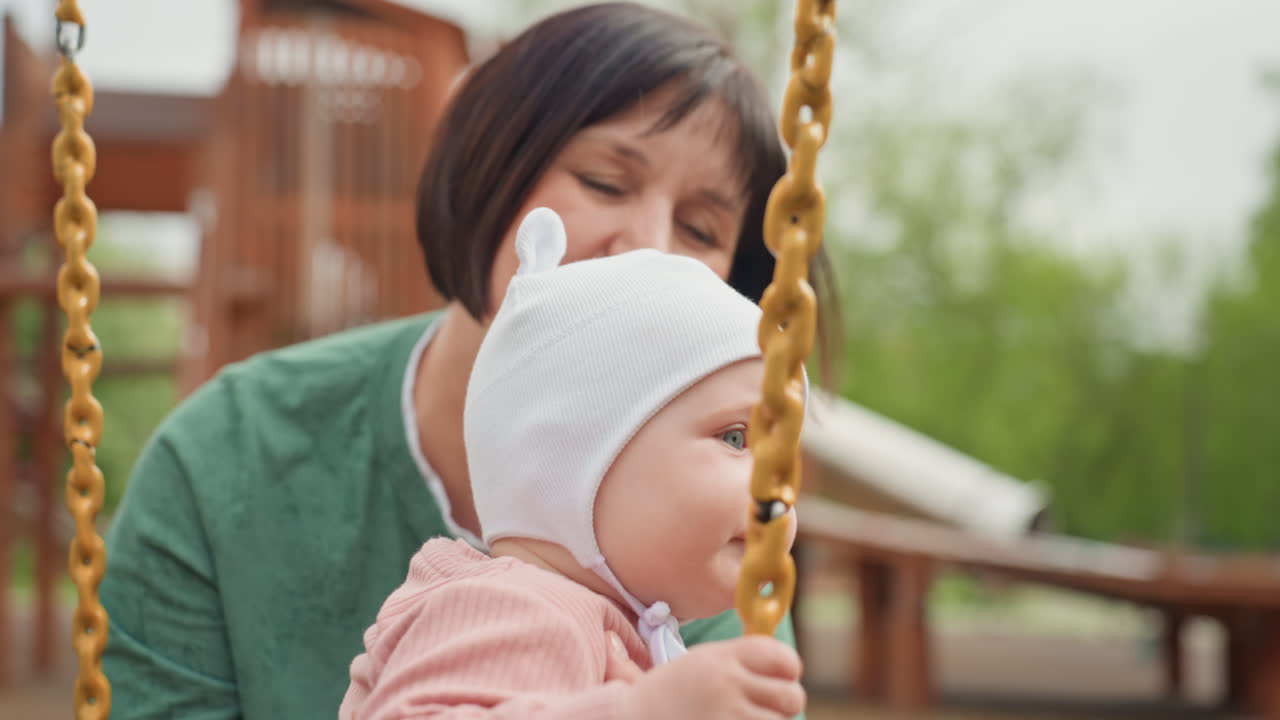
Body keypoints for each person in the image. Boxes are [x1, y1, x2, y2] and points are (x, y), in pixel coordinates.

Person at [100, 3, 836, 718]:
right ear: (488, 165)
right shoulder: (228, 458)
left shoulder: (698, 521)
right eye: (604, 182)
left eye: (700, 228)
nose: (645, 244)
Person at [340, 208, 806, 720]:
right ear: (584, 452)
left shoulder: (608, 630)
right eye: (735, 436)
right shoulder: (517, 606)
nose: (775, 482)